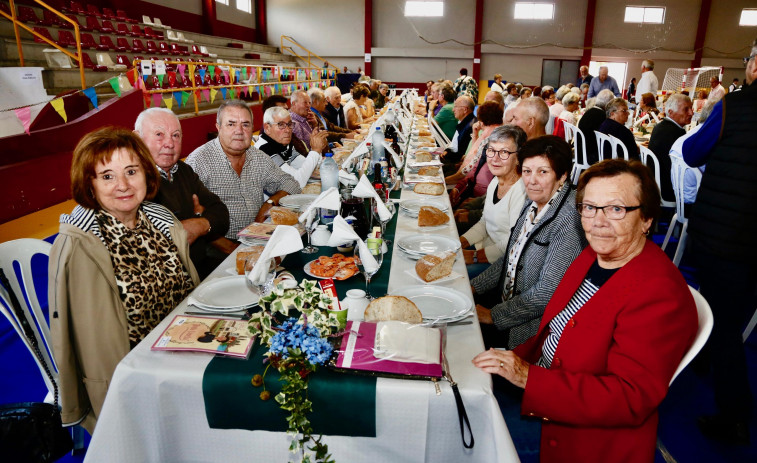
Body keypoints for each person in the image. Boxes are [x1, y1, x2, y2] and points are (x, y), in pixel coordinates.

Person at [473, 159, 698, 462]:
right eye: (589, 207)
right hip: (543, 388)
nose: (597, 222)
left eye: (616, 209)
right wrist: (512, 364)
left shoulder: (659, 293)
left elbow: (629, 398)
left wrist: (528, 378)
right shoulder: (593, 256)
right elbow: (552, 333)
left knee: (464, 435)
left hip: (580, 434)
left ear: (646, 219)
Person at [50, 127, 200, 432]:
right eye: (107, 176)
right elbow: (66, 340)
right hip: (130, 380)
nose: (122, 185)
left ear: (146, 173)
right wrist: (74, 406)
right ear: (89, 185)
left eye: (131, 171)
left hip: (186, 355)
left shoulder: (162, 221)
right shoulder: (79, 246)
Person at [682, 38, 757, 444]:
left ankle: (735, 415)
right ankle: (705, 358)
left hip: (728, 234)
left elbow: (692, 153)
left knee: (725, 321)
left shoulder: (734, 106)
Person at [472, 136, 586, 350]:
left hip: (529, 332)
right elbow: (512, 257)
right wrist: (474, 287)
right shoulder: (534, 200)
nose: (532, 180)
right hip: (506, 304)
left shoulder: (569, 220)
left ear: (562, 176)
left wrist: (493, 315)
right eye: (527, 171)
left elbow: (546, 293)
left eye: (543, 172)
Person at [134, 108, 231, 278]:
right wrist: (201, 220)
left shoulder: (183, 170)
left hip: (200, 267)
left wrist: (199, 224)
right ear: (137, 138)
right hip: (166, 279)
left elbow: (221, 214)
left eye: (175, 135)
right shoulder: (134, 180)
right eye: (159, 134)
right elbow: (158, 238)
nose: (169, 143)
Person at [186, 100, 301, 239]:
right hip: (216, 246)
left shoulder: (257, 156)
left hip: (256, 237)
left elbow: (291, 184)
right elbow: (189, 219)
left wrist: (269, 204)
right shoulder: (198, 161)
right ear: (218, 127)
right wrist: (230, 249)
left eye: (245, 124)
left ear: (253, 128)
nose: (239, 131)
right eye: (231, 124)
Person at [459, 125, 528, 276]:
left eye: (504, 152)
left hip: (502, 263)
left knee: (454, 274)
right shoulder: (496, 180)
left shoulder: (522, 192)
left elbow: (512, 242)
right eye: (491, 150)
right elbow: (485, 222)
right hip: (484, 248)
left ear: (519, 157)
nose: (495, 159)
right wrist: (461, 242)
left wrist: (473, 256)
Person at [254, 106, 327, 188]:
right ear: (267, 128)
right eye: (281, 125)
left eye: (289, 124)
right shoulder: (264, 150)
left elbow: (311, 167)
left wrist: (318, 148)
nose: (288, 130)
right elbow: (296, 182)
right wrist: (315, 151)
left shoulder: (283, 143)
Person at [648, 93, 693, 204]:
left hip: (654, 183)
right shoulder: (676, 133)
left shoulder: (660, 127)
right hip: (667, 189)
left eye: (691, 108)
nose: (691, 113)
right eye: (686, 109)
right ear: (671, 112)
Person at [446, 101, 503, 186]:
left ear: (481, 121)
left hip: (469, 184)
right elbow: (474, 156)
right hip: (471, 180)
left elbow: (465, 172)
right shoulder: (498, 132)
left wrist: (445, 180)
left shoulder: (488, 136)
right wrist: (475, 135)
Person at [578, 89, 615, 165]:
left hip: (581, 151)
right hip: (591, 155)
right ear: (609, 104)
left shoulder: (589, 111)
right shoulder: (602, 116)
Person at [441, 96, 477, 170]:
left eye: (456, 107)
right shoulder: (465, 122)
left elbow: (460, 154)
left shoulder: (470, 127)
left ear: (465, 109)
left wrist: (445, 155)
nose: (453, 110)